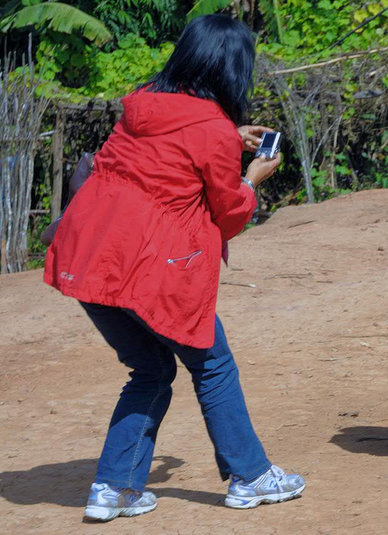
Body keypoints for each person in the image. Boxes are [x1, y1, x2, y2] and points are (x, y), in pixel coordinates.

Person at [43, 15, 304, 521]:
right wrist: (252, 176)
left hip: (90, 258)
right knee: (212, 364)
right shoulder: (210, 128)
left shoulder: (142, 104)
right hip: (152, 267)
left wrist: (228, 136)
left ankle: (114, 489)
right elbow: (229, 211)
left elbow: (165, 153)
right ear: (232, 67)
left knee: (151, 368)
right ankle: (250, 477)